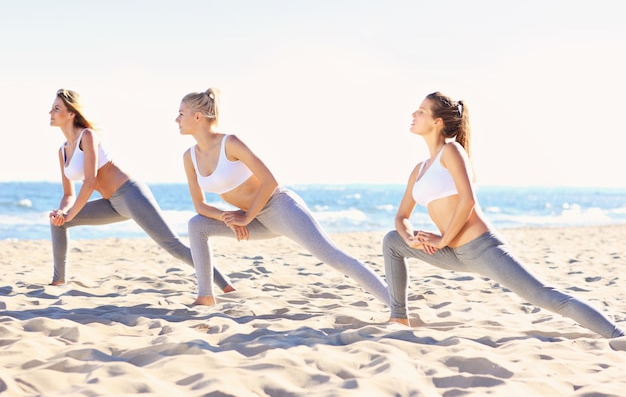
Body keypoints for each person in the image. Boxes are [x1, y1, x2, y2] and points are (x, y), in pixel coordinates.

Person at [383, 91, 625, 342]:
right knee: (393, 241)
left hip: (482, 248)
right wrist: (410, 239)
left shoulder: (452, 151)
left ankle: (618, 335)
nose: (413, 114)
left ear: (437, 122)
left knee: (548, 297)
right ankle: (398, 316)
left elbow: (467, 201)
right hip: (454, 254)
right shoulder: (419, 169)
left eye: (421, 111)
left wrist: (442, 239)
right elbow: (402, 216)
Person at [175, 87, 389, 307]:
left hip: (279, 207)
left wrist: (247, 216)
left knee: (333, 257)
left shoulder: (230, 143)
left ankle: (397, 307)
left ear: (198, 116)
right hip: (254, 220)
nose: (176, 119)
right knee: (197, 225)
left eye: (181, 113)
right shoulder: (189, 157)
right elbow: (200, 205)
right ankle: (205, 296)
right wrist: (228, 217)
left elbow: (270, 181)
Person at [48, 88, 234, 293]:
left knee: (173, 246)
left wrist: (69, 214)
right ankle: (58, 282)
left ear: (71, 113)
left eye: (57, 108)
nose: (51, 112)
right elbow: (68, 194)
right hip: (112, 204)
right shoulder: (62, 150)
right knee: (58, 223)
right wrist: (61, 213)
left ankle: (225, 285)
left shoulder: (88, 136)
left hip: (130, 194)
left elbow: (90, 182)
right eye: (52, 108)